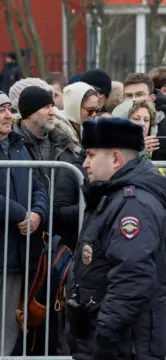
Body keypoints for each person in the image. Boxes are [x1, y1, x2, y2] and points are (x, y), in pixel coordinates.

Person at [65, 117, 166, 359]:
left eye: (91, 155)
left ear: (116, 159)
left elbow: (131, 278)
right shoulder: (112, 197)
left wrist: (103, 336)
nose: (85, 164)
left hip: (123, 345)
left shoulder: (133, 205)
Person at [0, 91, 49, 355]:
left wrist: (37, 214)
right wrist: (21, 214)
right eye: (1, 109)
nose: (9, 115)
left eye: (9, 108)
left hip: (17, 253)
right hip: (4, 246)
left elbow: (39, 185)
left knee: (10, 325)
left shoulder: (20, 145)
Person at [14, 86, 77, 186]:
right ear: (30, 113)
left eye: (52, 106)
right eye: (46, 107)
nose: (52, 112)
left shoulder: (64, 142)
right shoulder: (11, 143)